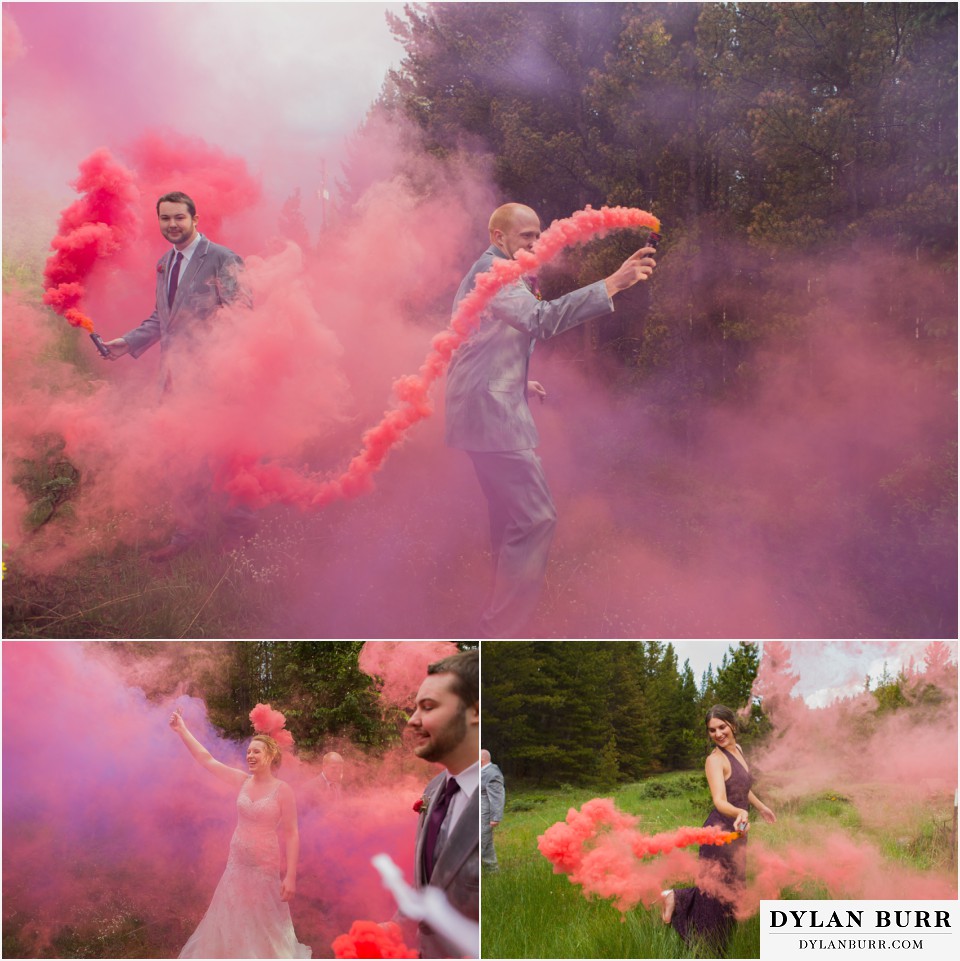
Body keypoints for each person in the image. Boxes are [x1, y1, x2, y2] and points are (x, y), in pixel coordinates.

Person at [444, 203, 657, 637]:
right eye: (526, 236)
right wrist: (612, 283)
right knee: (536, 517)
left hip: (485, 406)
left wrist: (517, 383)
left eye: (539, 235)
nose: (535, 244)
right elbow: (540, 320)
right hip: (491, 419)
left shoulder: (499, 271)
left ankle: (494, 615)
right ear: (497, 237)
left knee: (508, 520)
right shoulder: (496, 272)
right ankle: (504, 627)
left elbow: (476, 340)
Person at [103, 191, 255, 561]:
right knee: (182, 457)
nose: (172, 225)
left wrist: (218, 366)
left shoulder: (221, 258)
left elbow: (243, 314)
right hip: (173, 378)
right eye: (165, 218)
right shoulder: (164, 262)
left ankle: (239, 534)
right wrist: (127, 342)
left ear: (195, 219)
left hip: (214, 377)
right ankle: (188, 532)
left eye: (179, 218)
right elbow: (162, 318)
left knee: (225, 454)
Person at [169, 708, 310, 959]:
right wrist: (182, 730)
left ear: (270, 755)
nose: (250, 755)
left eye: (256, 751)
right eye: (248, 751)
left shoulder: (282, 790)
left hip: (264, 867)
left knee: (262, 919)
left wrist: (290, 876)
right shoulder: (242, 781)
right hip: (237, 864)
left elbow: (292, 834)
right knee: (232, 914)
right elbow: (207, 759)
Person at [661, 704, 776, 952]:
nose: (718, 734)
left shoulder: (739, 751)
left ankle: (678, 899)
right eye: (712, 730)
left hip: (738, 833)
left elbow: (743, 787)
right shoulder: (714, 760)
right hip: (718, 834)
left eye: (722, 727)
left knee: (733, 889)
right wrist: (741, 811)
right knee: (714, 893)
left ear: (732, 725)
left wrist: (761, 806)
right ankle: (708, 949)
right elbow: (720, 801)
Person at [407, 650, 479, 958]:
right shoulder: (434, 789)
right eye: (415, 708)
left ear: (474, 711)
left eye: (428, 707)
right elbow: (434, 886)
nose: (413, 721)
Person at [480, 749, 505, 872]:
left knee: (482, 844)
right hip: (477, 814)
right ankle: (491, 871)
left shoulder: (492, 773)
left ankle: (490, 872)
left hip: (484, 815)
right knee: (485, 844)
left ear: (481, 760)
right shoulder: (482, 772)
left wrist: (495, 817)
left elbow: (497, 797)